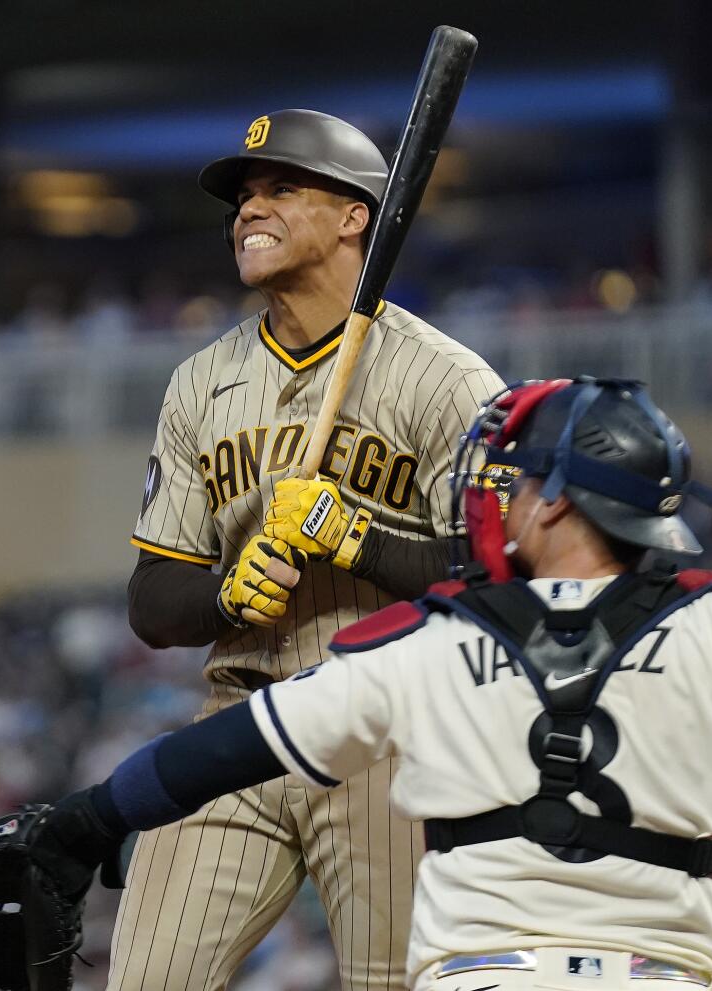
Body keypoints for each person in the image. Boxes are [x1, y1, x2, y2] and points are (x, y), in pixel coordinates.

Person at [42, 317, 712, 991]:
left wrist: (82, 821)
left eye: (514, 479)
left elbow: (218, 751)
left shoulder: (432, 640)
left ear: (561, 501)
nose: (496, 495)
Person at [120, 108, 505, 991]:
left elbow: (503, 581)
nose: (249, 210)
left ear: (355, 215)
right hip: (238, 722)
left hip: (390, 732)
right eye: (243, 197)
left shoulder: (448, 380)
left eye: (280, 188)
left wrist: (356, 535)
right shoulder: (201, 382)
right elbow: (150, 597)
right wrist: (225, 593)